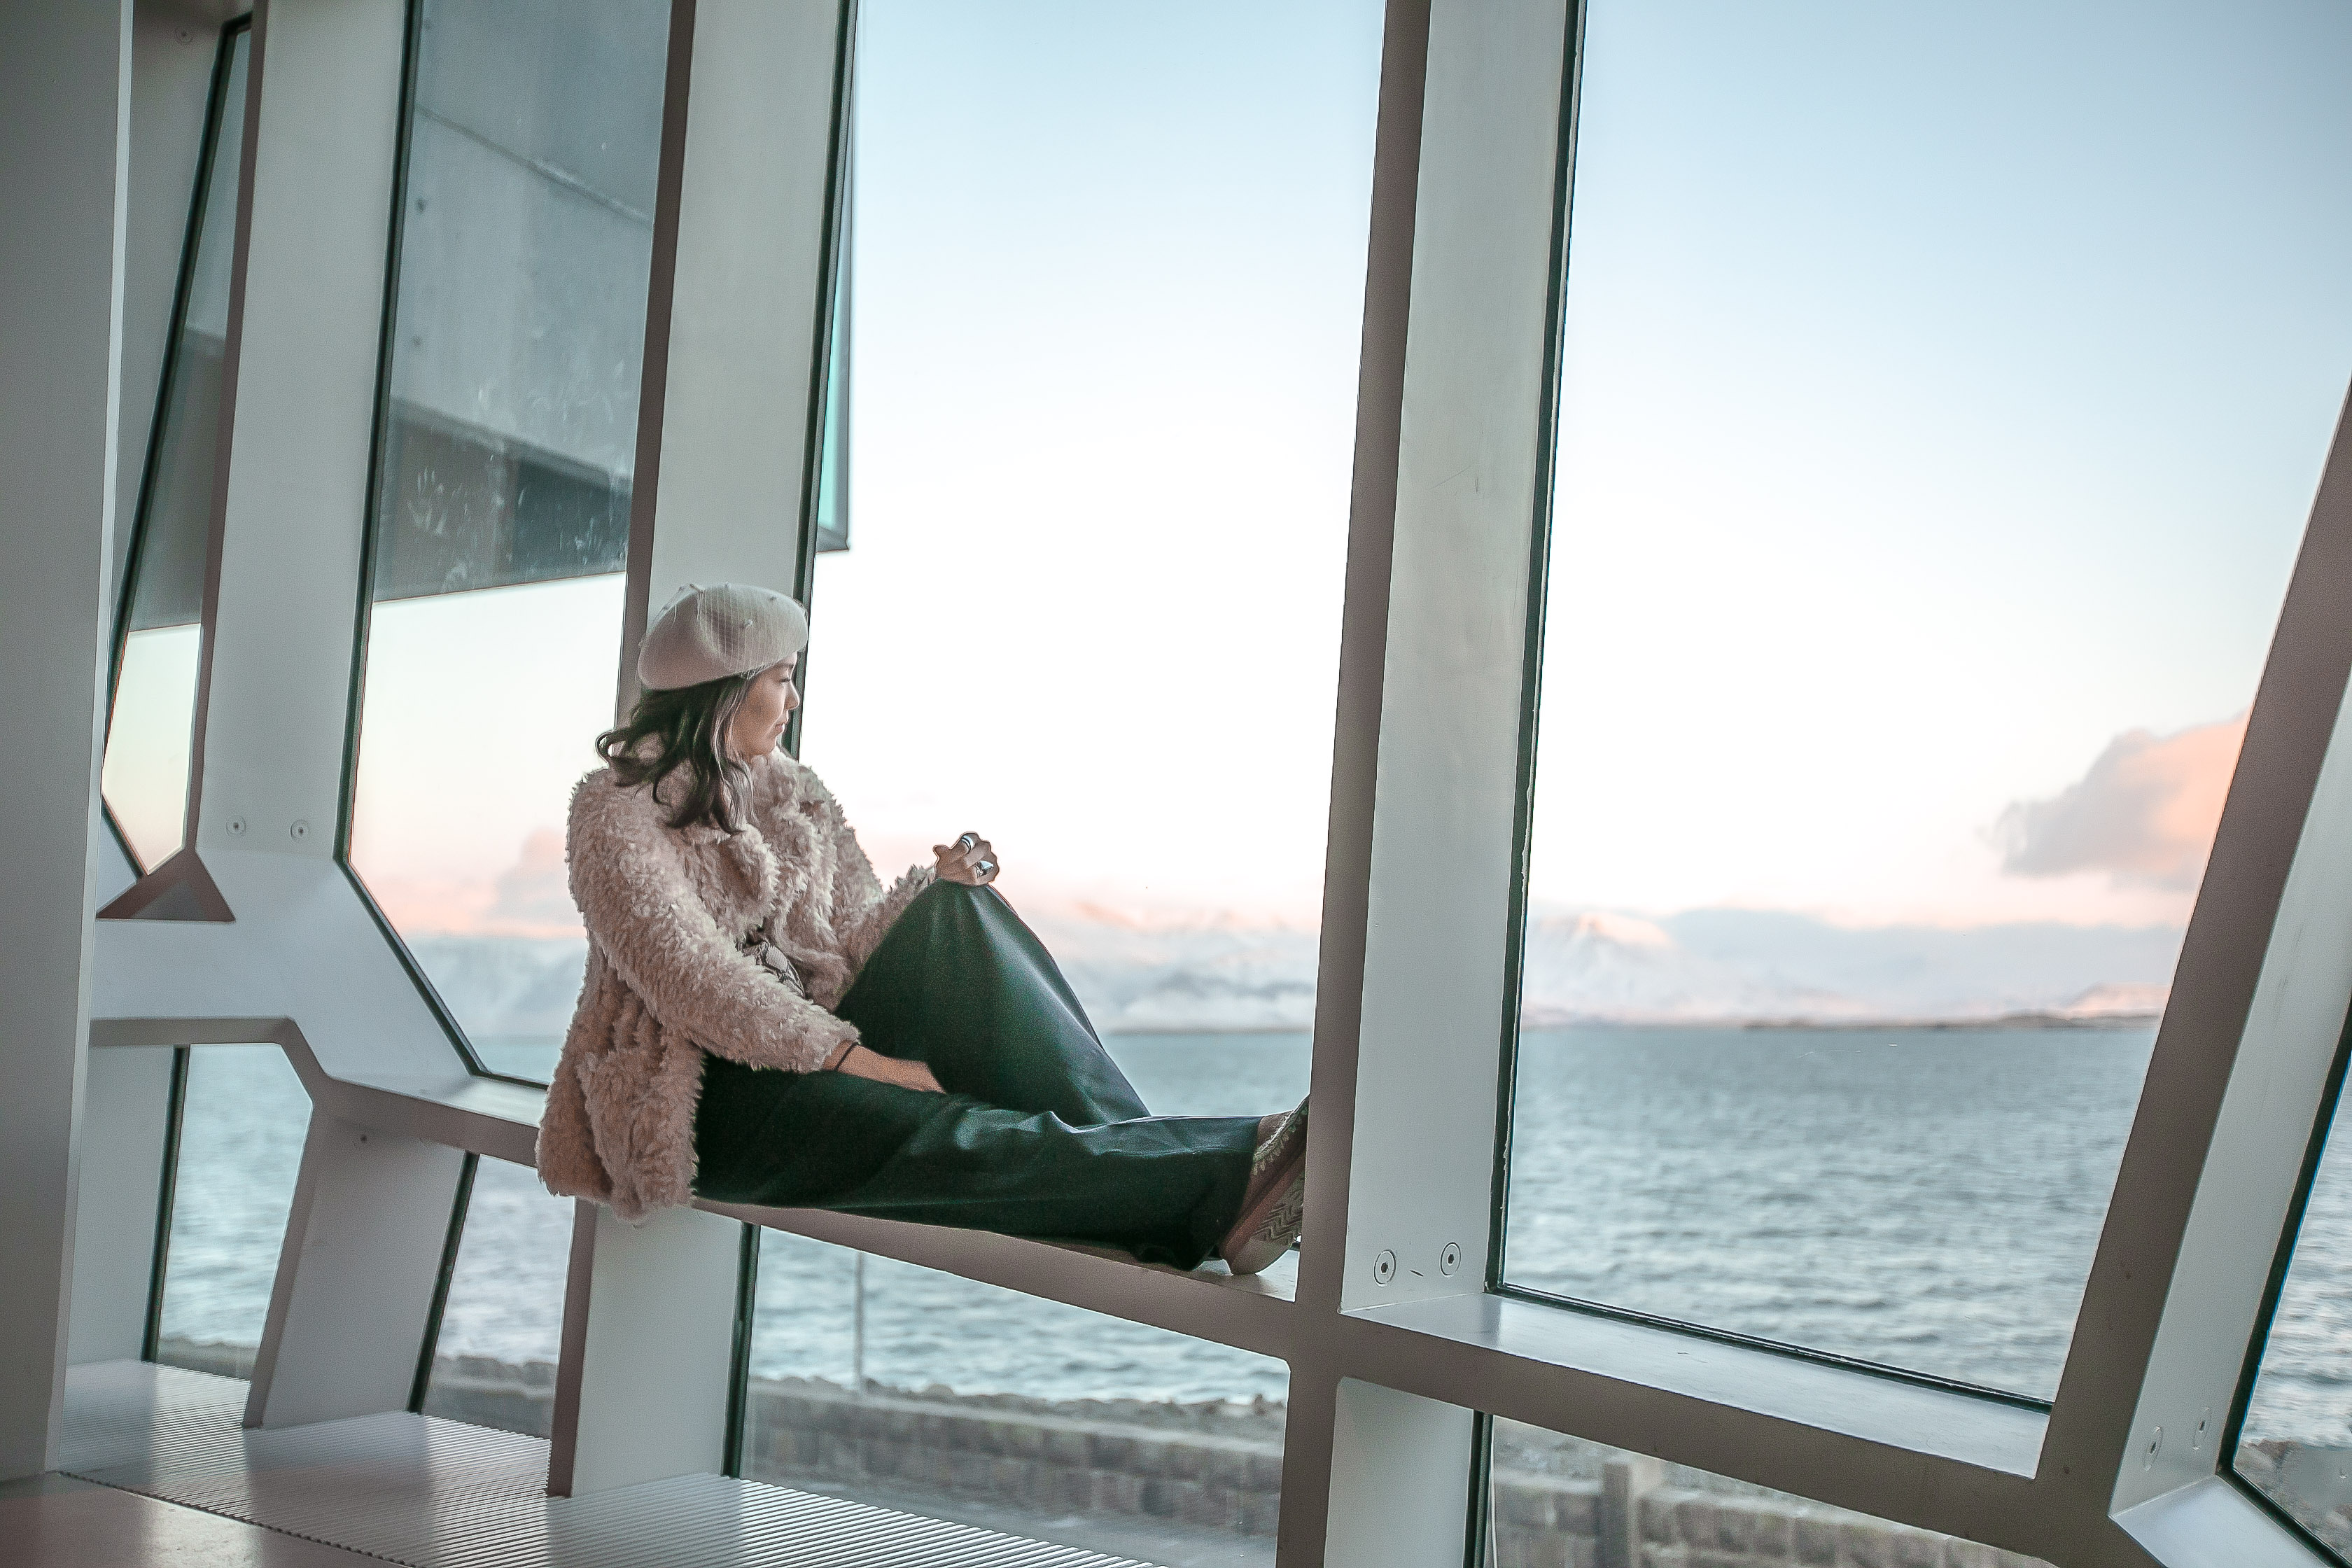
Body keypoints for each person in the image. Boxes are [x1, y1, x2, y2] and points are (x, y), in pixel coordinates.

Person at [536, 582, 1308, 1273]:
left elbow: (848, 937)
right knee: (944, 1128)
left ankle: (1183, 1163)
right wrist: (862, 1060)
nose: (794, 699)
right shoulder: (616, 810)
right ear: (726, 692)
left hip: (815, 1045)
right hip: (704, 1099)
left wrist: (931, 893)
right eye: (782, 679)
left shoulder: (794, 793)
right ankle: (1213, 1175)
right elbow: (693, 980)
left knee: (956, 912)